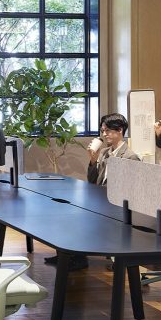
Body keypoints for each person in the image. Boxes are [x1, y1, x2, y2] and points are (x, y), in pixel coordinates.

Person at [46, 113, 140, 270]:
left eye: (108, 130)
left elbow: (131, 191)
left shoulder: (131, 157)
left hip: (115, 206)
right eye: (103, 131)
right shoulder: (104, 152)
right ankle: (66, 256)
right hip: (100, 201)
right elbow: (92, 181)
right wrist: (93, 160)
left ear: (120, 130)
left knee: (75, 215)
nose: (104, 134)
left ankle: (77, 259)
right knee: (62, 209)